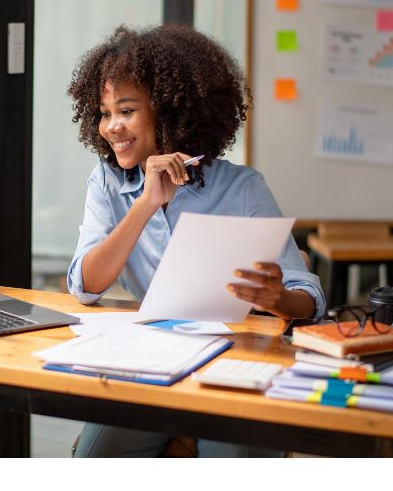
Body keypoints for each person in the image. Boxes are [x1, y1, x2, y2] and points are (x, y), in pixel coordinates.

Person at [65, 23, 325, 458]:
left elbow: (308, 298)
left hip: (235, 365)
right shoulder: (107, 182)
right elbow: (85, 286)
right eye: (104, 113)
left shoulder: (242, 188)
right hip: (150, 365)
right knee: (95, 459)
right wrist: (145, 204)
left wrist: (277, 297)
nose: (111, 127)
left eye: (125, 110)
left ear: (168, 110)